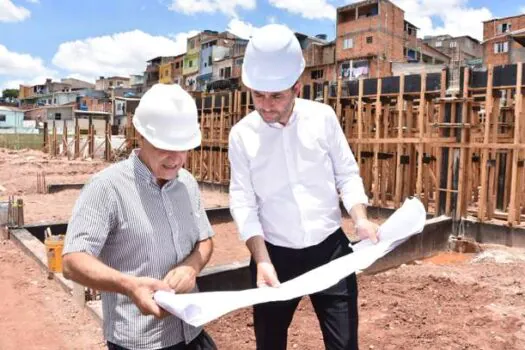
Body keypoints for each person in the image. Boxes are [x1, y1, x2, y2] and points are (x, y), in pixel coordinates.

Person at [228, 24, 380, 350]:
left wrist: (360, 218)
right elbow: (242, 201)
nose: (266, 105)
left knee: (344, 345)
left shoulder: (322, 118)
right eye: (258, 95)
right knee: (269, 344)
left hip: (331, 251)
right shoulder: (241, 135)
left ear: (298, 86)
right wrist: (261, 258)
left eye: (277, 96)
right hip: (273, 257)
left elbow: (346, 174)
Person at [62, 84, 217, 350]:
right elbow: (72, 261)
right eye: (165, 147)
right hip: (139, 341)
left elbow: (205, 241)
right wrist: (129, 285)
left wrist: (192, 266)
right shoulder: (106, 187)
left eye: (183, 148)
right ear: (140, 135)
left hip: (192, 331)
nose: (176, 159)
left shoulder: (187, 183)